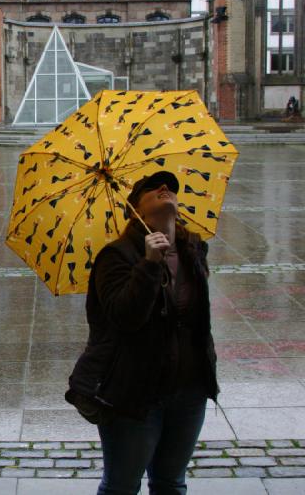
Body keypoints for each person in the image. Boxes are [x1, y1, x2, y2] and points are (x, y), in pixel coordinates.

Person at [65, 170, 219, 495]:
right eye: (153, 188)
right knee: (121, 486)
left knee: (171, 483)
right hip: (135, 394)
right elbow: (124, 318)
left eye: (170, 188)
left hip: (189, 391)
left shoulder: (193, 251)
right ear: (135, 207)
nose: (166, 188)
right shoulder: (116, 256)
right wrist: (149, 265)